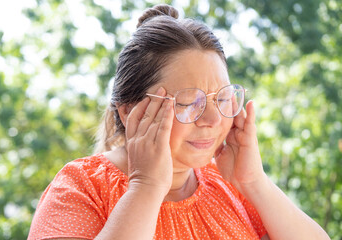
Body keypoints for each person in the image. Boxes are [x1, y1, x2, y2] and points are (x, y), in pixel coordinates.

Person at [28, 4, 330, 240]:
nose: (213, 119)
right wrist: (146, 187)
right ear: (130, 111)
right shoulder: (81, 187)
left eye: (222, 98)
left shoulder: (230, 186)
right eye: (189, 102)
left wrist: (254, 182)